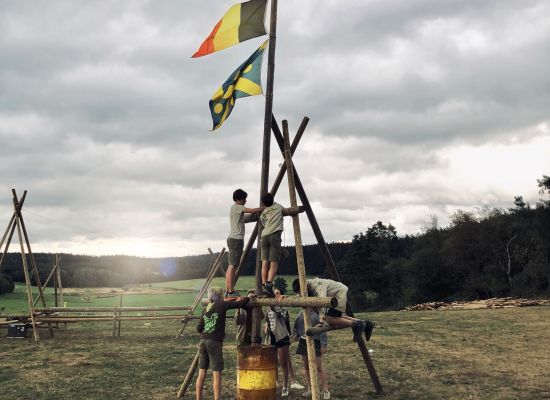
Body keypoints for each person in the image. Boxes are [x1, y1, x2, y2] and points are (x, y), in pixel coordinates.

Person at [195, 287, 250, 400]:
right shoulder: (222, 305)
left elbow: (199, 328)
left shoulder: (206, 309)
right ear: (220, 296)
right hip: (214, 342)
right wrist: (247, 298)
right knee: (217, 374)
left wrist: (208, 329)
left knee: (201, 373)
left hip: (203, 341)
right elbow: (241, 303)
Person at [292, 277, 375, 343]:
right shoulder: (307, 285)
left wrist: (321, 321)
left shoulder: (318, 285)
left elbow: (322, 302)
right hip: (335, 295)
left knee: (330, 320)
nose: (301, 293)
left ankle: (356, 324)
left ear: (304, 285)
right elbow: (302, 296)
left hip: (338, 293)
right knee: (338, 318)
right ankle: (366, 323)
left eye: (301, 291)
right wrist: (288, 298)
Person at [225, 189, 264, 297]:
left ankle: (228, 289)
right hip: (237, 240)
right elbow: (252, 211)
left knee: (231, 266)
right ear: (238, 199)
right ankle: (231, 291)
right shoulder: (238, 207)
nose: (245, 200)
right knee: (233, 266)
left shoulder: (233, 208)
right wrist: (264, 208)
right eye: (244, 198)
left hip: (232, 238)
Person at [293, 308, 330, 399]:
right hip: (303, 342)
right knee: (306, 367)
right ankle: (310, 388)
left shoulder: (317, 315)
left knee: (318, 367)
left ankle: (325, 390)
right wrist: (296, 335)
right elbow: (296, 327)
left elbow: (323, 329)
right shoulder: (300, 314)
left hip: (315, 342)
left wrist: (323, 345)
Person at [264, 288, 292, 397]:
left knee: (283, 363)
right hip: (272, 337)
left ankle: (285, 387)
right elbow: (268, 319)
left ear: (280, 295)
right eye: (274, 294)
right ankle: (274, 382)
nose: (276, 296)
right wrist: (267, 326)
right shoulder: (268, 307)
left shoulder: (283, 306)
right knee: (273, 362)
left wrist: (272, 303)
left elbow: (278, 312)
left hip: (282, 337)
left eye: (277, 294)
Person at [259, 192, 285, 296]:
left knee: (265, 262)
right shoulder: (278, 207)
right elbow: (285, 210)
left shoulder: (263, 213)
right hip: (275, 236)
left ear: (263, 203)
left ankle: (264, 284)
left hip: (264, 236)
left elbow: (263, 222)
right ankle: (269, 285)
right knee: (274, 262)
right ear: (273, 199)